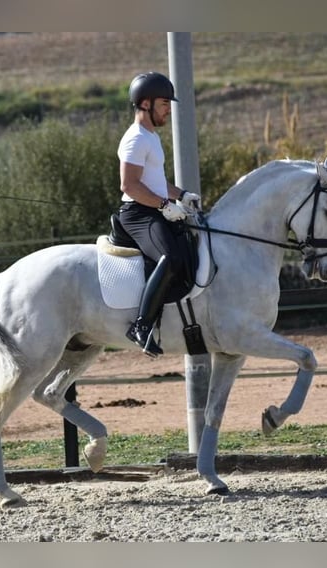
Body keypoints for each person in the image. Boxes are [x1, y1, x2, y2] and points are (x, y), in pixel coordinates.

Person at [117, 71, 200, 357]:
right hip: (138, 213)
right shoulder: (136, 139)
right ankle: (141, 326)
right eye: (164, 103)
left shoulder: (150, 137)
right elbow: (129, 185)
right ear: (146, 104)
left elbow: (155, 181)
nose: (168, 109)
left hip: (151, 207)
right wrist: (164, 206)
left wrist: (181, 195)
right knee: (171, 258)